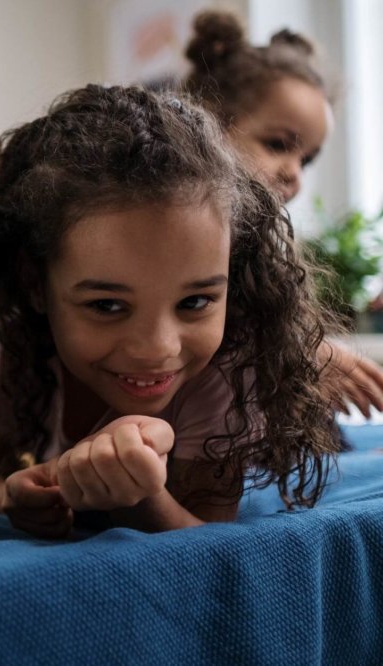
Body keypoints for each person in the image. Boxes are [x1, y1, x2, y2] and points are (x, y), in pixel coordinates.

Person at [0, 84, 342, 537]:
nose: (157, 348)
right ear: (35, 285)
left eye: (195, 302)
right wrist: (16, 497)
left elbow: (207, 538)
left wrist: (140, 500)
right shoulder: (0, 339)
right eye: (107, 305)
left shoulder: (227, 364)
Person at [181, 9, 383, 417]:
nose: (294, 172)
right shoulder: (180, 231)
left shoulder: (259, 245)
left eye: (306, 159)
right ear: (211, 126)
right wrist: (300, 356)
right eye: (277, 145)